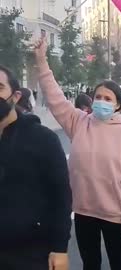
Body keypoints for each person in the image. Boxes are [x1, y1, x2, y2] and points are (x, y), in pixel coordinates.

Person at [34, 38, 121, 270]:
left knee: (119, 263)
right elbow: (55, 98)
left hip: (115, 214)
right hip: (84, 211)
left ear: (117, 106)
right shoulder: (78, 122)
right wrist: (42, 61)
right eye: (98, 97)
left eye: (108, 98)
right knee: (90, 263)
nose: (101, 101)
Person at [0, 65, 72, 270]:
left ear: (15, 96)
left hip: (30, 253)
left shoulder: (43, 139)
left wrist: (60, 249)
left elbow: (61, 197)